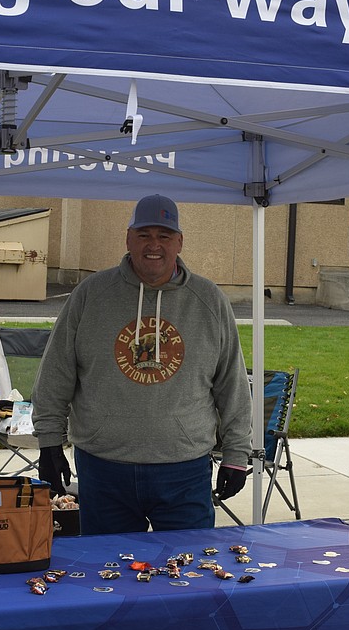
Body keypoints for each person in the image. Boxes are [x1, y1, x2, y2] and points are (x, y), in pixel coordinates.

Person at [32, 194, 252, 535]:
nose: (154, 245)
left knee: (189, 575)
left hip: (184, 469)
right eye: (144, 235)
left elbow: (233, 386)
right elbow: (56, 372)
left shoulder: (209, 301)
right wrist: (49, 441)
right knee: (108, 577)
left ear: (179, 242)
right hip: (104, 468)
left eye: (164, 236)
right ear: (128, 239)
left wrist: (237, 454)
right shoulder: (92, 295)